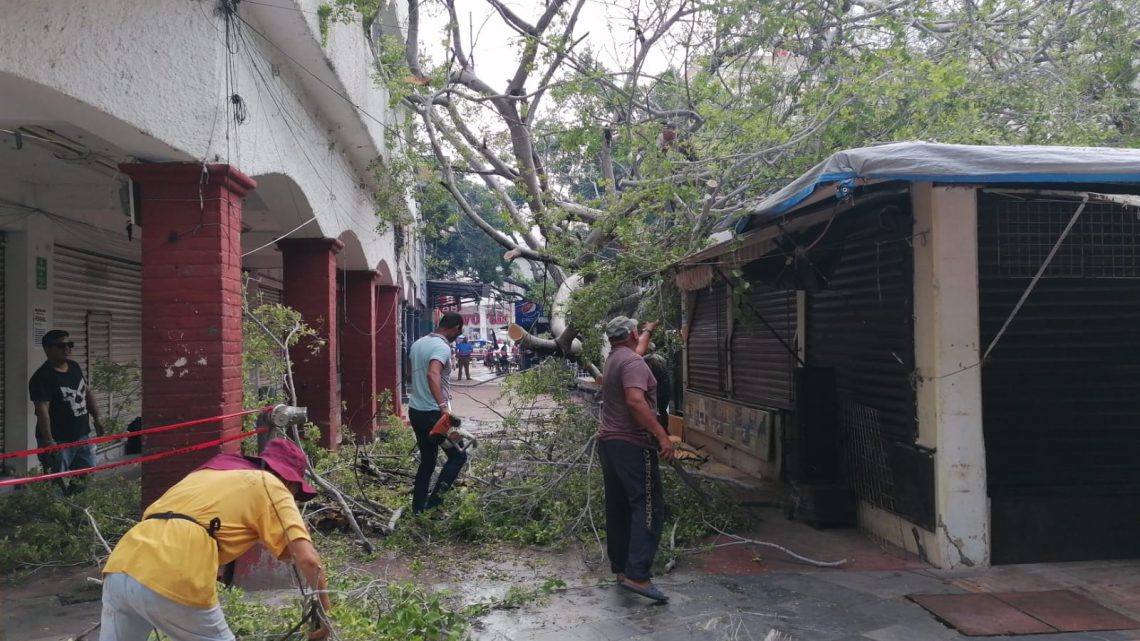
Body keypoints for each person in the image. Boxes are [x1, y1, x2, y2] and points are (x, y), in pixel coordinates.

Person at [99, 438, 332, 641]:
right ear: (289, 482)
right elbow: (309, 561)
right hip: (173, 569)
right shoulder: (271, 484)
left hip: (123, 562)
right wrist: (325, 615)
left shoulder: (209, 473)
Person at [598, 316, 676, 604]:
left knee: (618, 507)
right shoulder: (632, 364)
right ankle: (638, 574)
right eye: (637, 331)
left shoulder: (616, 358)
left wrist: (647, 330)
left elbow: (637, 352)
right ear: (629, 333)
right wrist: (662, 435)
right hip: (632, 445)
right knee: (648, 506)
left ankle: (621, 568)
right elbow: (635, 401)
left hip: (609, 444)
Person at [29, 329, 104, 492]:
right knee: (56, 484)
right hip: (58, 440)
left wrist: (97, 417)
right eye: (61, 346)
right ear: (48, 349)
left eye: (70, 345)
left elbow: (87, 392)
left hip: (82, 435)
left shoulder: (74, 367)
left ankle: (78, 513)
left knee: (85, 477)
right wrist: (49, 441)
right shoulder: (42, 377)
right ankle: (58, 514)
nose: (67, 349)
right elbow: (42, 410)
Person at [407, 312, 468, 513]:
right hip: (435, 415)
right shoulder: (441, 347)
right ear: (456, 328)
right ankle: (434, 506)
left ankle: (418, 510)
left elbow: (412, 374)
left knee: (428, 461)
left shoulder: (418, 344)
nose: (458, 336)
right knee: (458, 457)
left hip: (416, 411)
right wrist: (443, 407)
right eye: (459, 332)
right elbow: (432, 372)